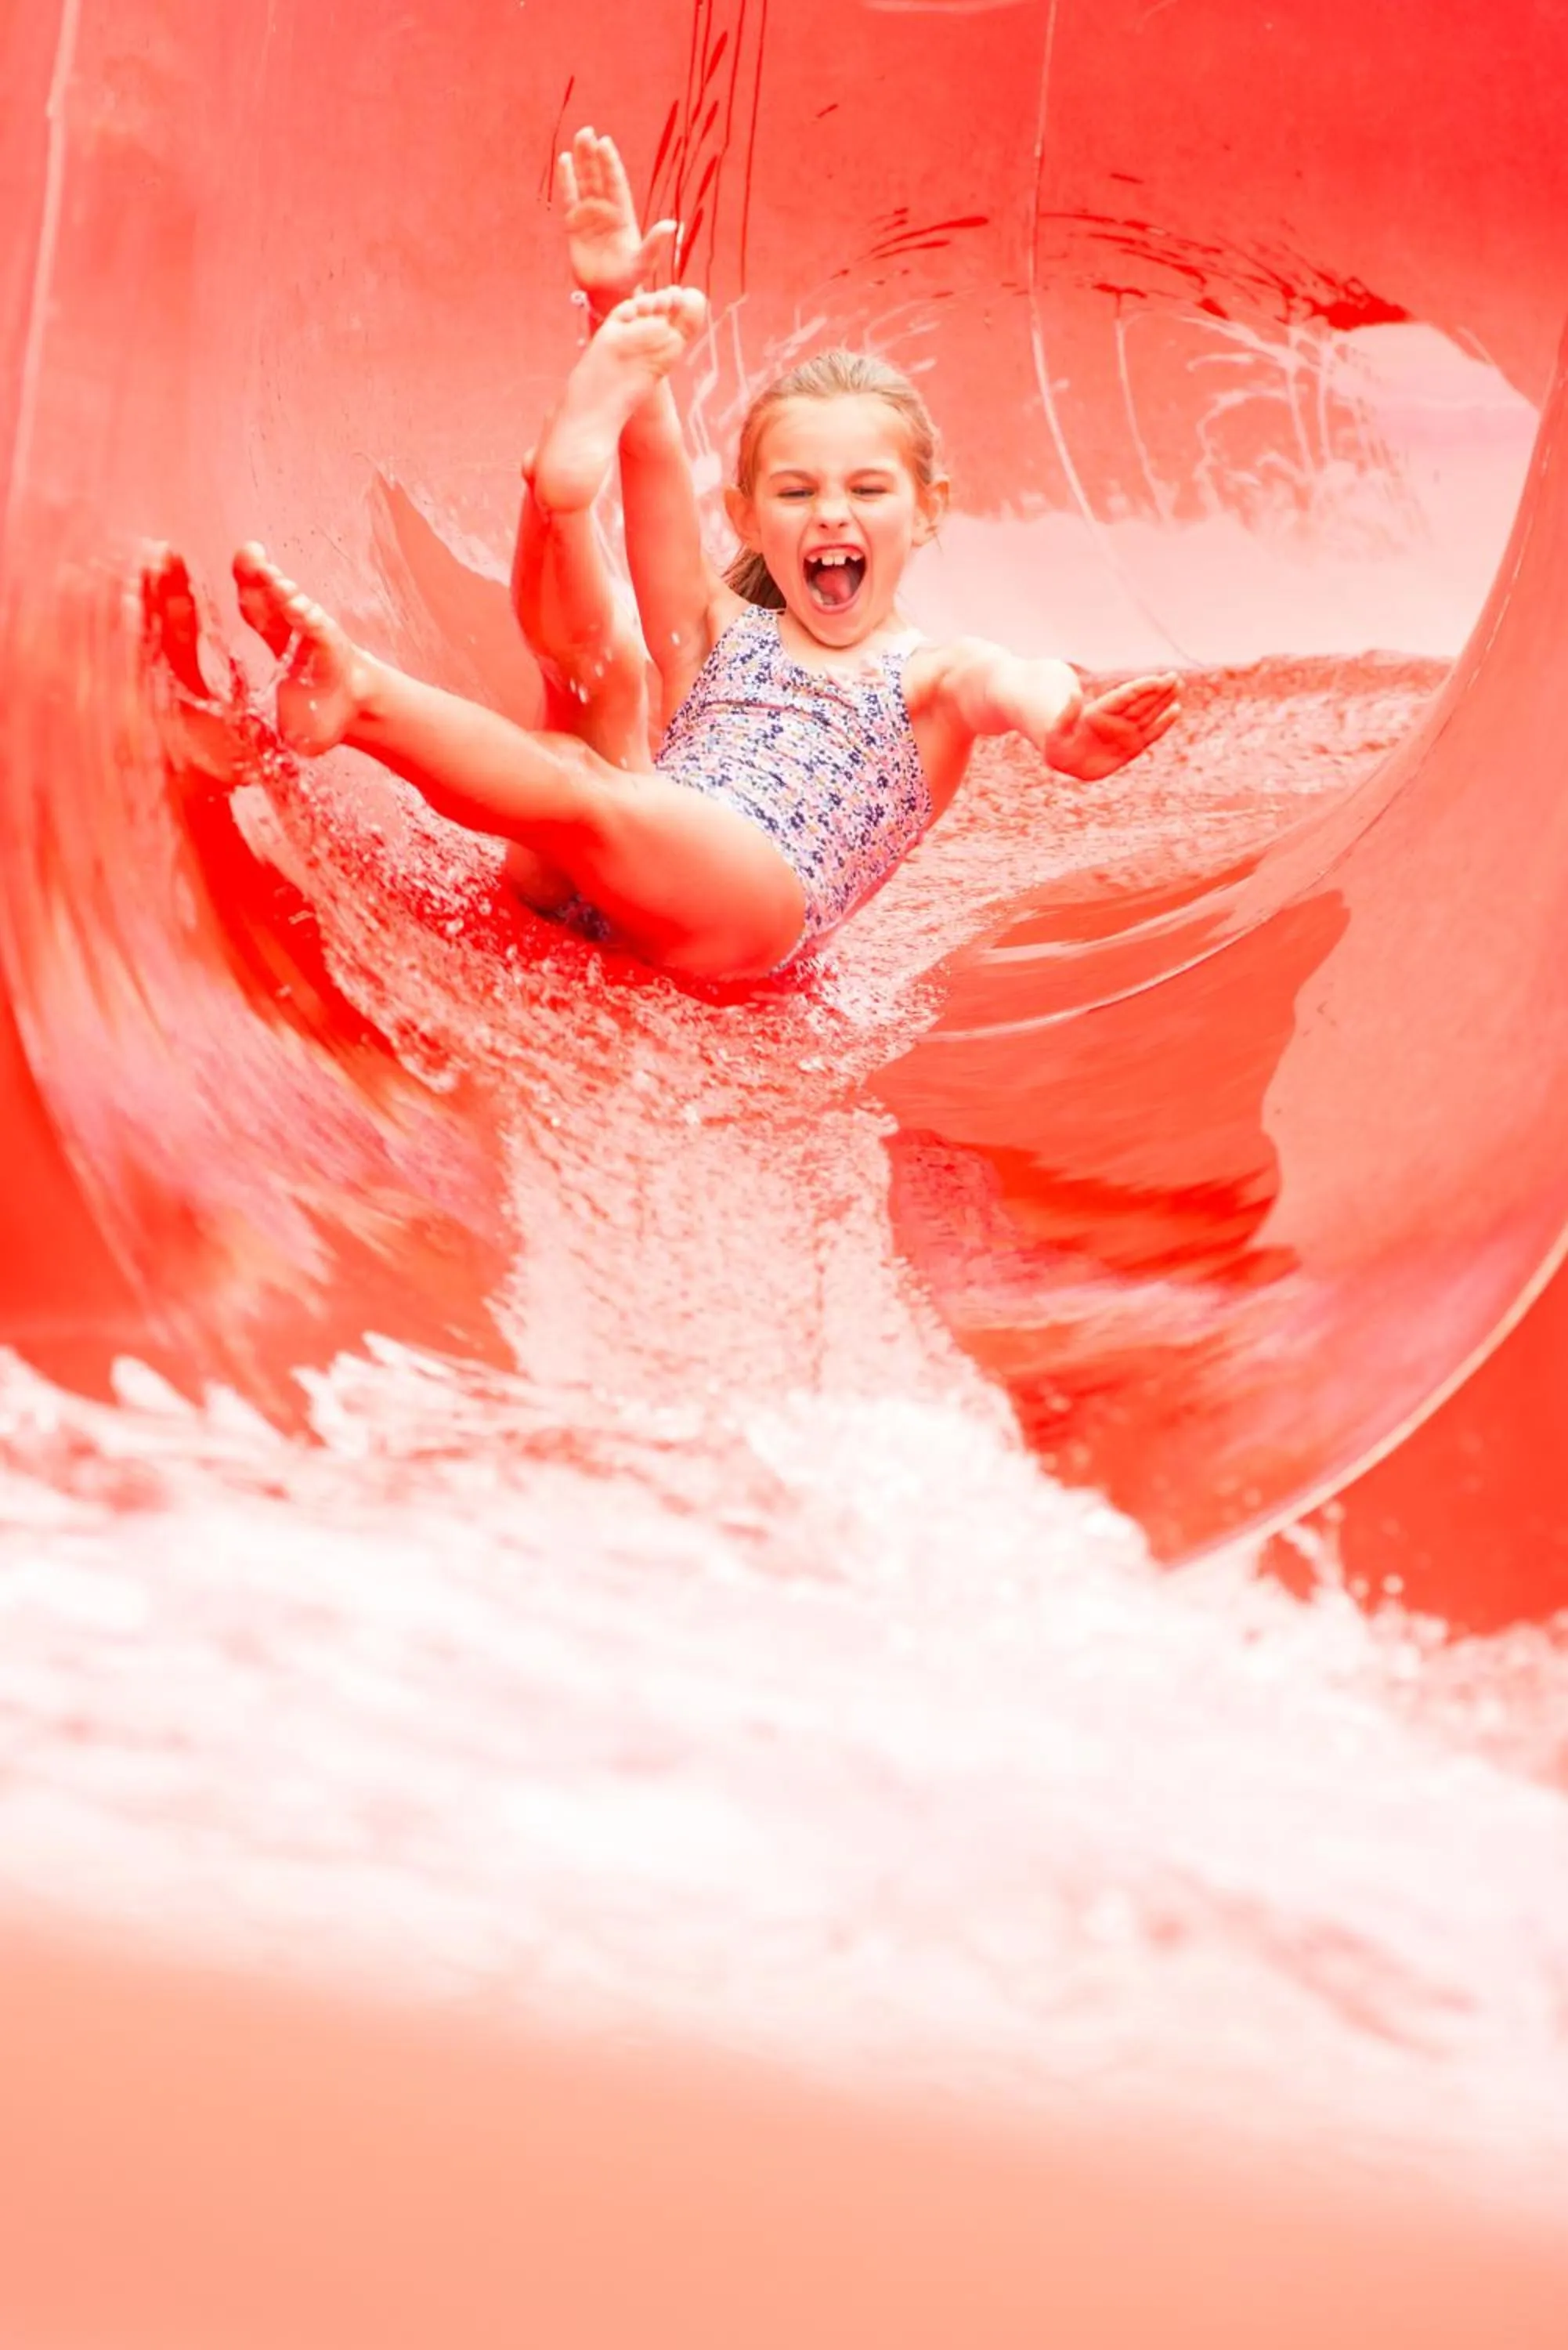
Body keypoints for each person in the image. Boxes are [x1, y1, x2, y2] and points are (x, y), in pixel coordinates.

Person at [225, 128, 1181, 982]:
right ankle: (556, 503)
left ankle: (367, 686)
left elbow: (1018, 683)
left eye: (868, 491)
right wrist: (615, 301)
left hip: (752, 897)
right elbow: (655, 461)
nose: (830, 516)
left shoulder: (931, 676)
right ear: (750, 517)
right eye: (797, 492)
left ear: (927, 512)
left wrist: (1063, 726)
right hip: (625, 869)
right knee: (598, 672)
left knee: (586, 784)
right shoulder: (719, 632)